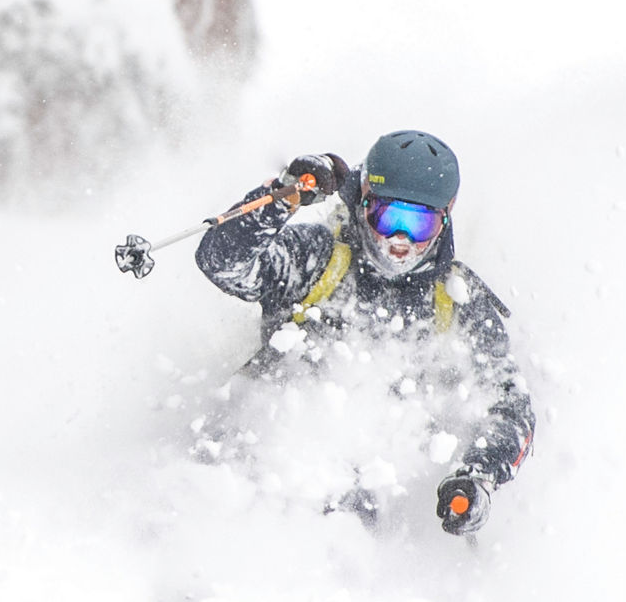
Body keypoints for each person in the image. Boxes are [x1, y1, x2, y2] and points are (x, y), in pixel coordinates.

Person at [188, 130, 534, 535]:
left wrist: (479, 475)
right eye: (388, 218)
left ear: (445, 218)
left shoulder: (457, 302)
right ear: (364, 200)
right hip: (239, 474)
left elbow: (511, 405)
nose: (400, 241)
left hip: (345, 520)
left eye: (418, 224)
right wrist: (284, 198)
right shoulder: (318, 258)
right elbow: (222, 262)